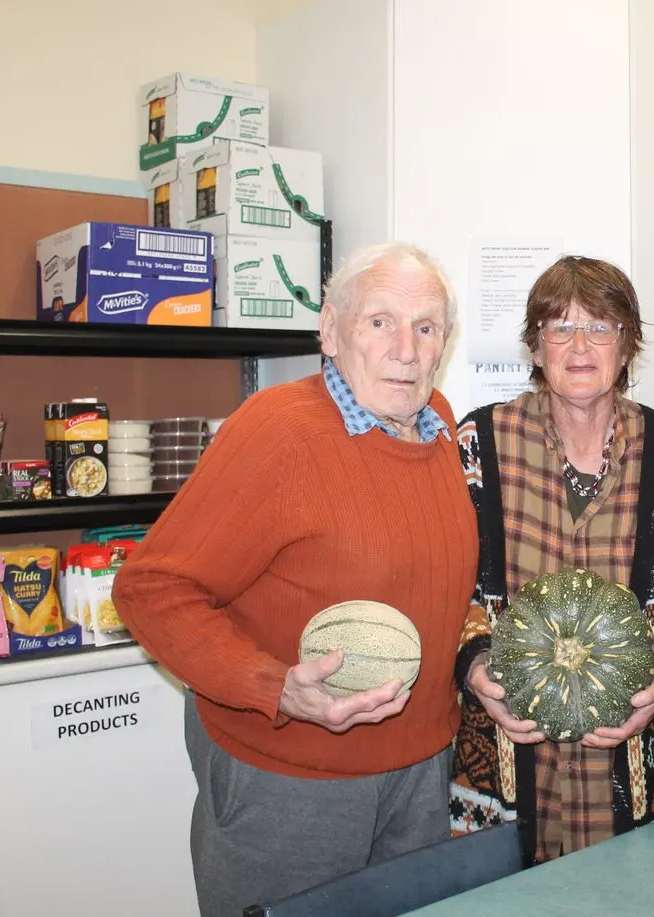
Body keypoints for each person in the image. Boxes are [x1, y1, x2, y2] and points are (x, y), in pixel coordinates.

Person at [112, 242, 478, 917]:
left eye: (425, 327)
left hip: (420, 768)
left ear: (444, 342)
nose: (405, 347)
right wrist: (274, 686)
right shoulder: (277, 430)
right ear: (330, 330)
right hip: (290, 778)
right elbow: (151, 589)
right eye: (379, 322)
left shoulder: (441, 426)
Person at [449, 255, 654, 866]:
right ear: (535, 347)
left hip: (637, 754)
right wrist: (473, 667)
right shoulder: (478, 443)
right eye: (558, 327)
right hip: (506, 750)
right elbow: (448, 577)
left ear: (627, 347)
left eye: (600, 327)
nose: (579, 345)